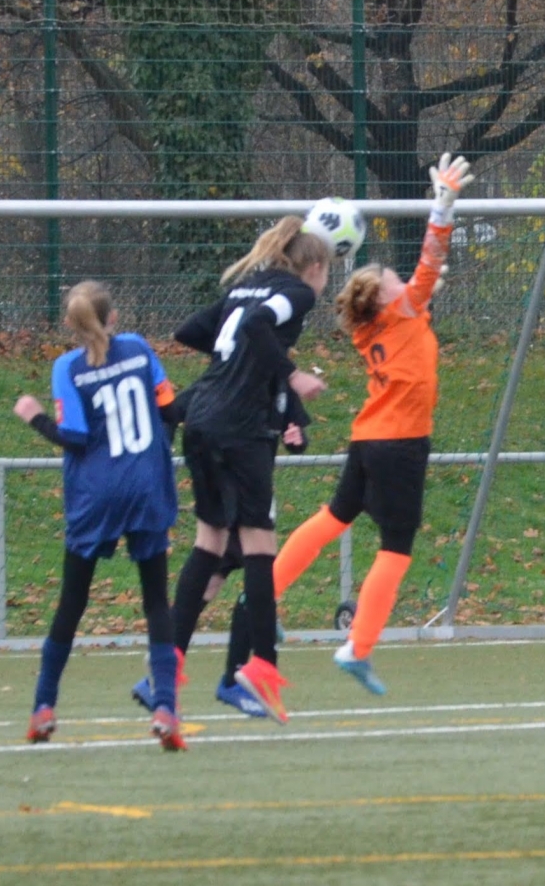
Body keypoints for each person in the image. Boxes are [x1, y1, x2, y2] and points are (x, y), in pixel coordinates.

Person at [272, 153, 473, 695]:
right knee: (396, 545)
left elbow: (417, 290)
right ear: (387, 295)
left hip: (368, 439)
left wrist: (418, 295)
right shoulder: (403, 307)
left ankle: (262, 597)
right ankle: (357, 647)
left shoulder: (376, 322)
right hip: (400, 442)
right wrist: (443, 205)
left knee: (334, 517)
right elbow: (430, 259)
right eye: (394, 279)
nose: (402, 280)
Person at [167, 219, 331, 722]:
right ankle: (260, 665)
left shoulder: (244, 287)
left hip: (202, 419)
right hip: (240, 429)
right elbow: (259, 325)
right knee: (259, 548)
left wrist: (238, 360)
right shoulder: (297, 293)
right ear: (315, 267)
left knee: (210, 545)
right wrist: (292, 374)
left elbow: (189, 331)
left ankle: (168, 662)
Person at [14, 281, 185, 751]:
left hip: (97, 491)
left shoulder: (67, 367)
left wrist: (34, 417)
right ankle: (166, 708)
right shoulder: (139, 348)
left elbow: (75, 437)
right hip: (146, 485)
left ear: (71, 325)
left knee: (72, 602)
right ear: (114, 318)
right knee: (156, 601)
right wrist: (155, 453)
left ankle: (43, 707)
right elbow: (170, 409)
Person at [131, 381, 309, 719]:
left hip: (251, 492)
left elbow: (296, 434)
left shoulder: (281, 383)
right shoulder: (227, 377)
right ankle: (231, 678)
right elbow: (170, 410)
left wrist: (296, 439)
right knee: (258, 579)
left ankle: (161, 676)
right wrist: (161, 452)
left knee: (212, 582)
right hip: (235, 498)